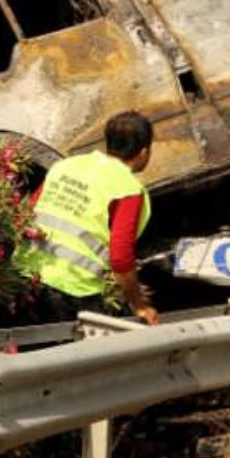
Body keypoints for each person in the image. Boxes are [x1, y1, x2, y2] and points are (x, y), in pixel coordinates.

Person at [15, 111, 159, 325]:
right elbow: (120, 258)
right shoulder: (128, 189)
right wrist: (139, 305)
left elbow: (24, 216)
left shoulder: (65, 166)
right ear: (143, 152)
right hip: (71, 292)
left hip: (22, 278)